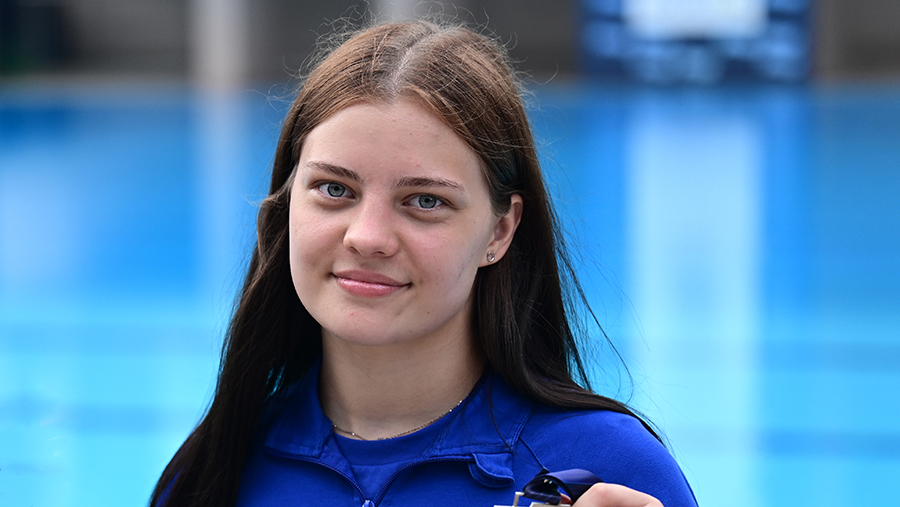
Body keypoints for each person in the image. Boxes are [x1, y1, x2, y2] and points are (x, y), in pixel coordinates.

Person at [150, 19, 698, 507]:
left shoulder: (608, 476)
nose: (367, 238)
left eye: (425, 200)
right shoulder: (215, 471)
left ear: (501, 230)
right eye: (334, 189)